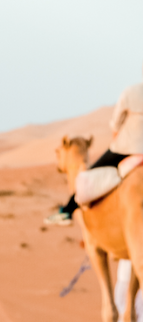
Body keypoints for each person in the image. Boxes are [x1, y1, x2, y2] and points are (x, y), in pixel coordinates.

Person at [46, 68, 143, 224]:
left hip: (126, 149)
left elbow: (116, 126)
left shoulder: (131, 92)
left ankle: (67, 211)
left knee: (89, 177)